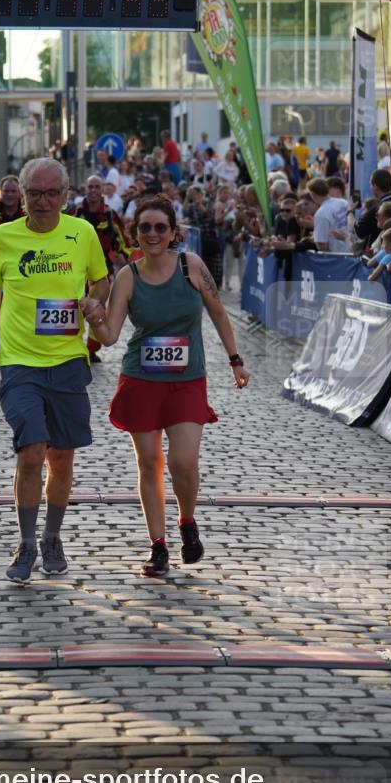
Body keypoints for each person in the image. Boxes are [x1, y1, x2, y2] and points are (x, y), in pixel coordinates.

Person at [82, 195, 249, 577]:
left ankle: (186, 521)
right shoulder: (128, 276)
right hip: (141, 379)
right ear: (134, 232)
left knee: (183, 462)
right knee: (150, 463)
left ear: (173, 232)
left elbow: (219, 313)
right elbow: (109, 337)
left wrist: (235, 359)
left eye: (160, 227)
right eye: (145, 228)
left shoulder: (192, 267)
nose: (153, 234)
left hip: (187, 380)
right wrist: (94, 316)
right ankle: (157, 546)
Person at [0, 158, 109, 586]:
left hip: (68, 360)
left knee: (62, 459)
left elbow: (101, 282)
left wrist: (94, 302)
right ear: (22, 195)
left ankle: (53, 536)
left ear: (66, 196)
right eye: (35, 193)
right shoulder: (4, 237)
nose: (43, 201)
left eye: (52, 193)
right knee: (31, 450)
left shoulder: (82, 234)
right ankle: (27, 542)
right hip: (19, 361)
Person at [71, 174, 131, 362]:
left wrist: (126, 254)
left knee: (97, 306)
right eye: (91, 187)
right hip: (76, 268)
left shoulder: (109, 213)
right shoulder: (74, 211)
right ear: (85, 189)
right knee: (74, 306)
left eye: (97, 187)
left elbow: (121, 237)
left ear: (102, 189)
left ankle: (91, 349)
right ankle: (73, 343)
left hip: (101, 270)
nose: (94, 190)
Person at [307, 178, 349, 252]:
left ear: (313, 194)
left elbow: (321, 245)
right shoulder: (344, 202)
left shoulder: (321, 213)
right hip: (351, 252)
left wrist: (315, 239)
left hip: (336, 257)